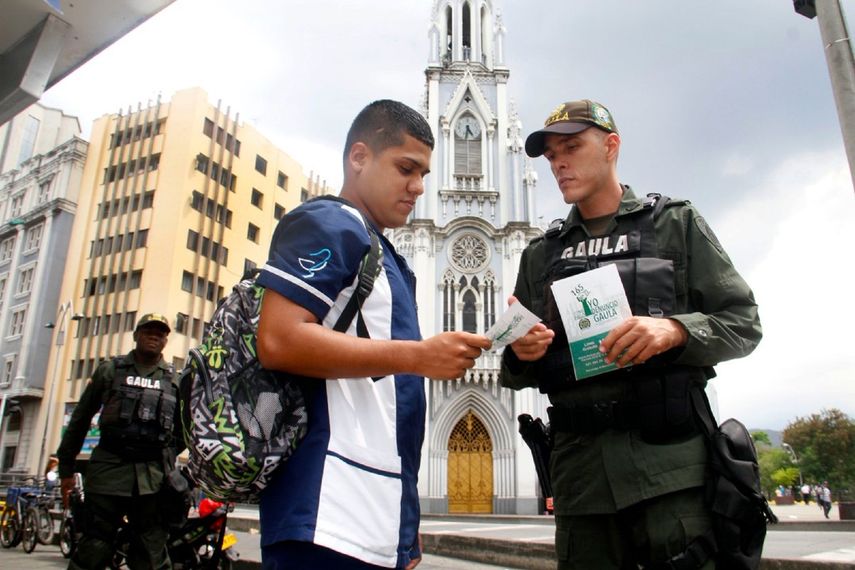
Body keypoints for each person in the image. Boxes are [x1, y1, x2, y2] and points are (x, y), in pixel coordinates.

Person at [500, 100, 762, 569]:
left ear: (611, 146)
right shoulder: (540, 255)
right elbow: (515, 370)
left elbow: (743, 323)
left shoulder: (674, 225)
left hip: (671, 476)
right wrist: (522, 352)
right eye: (551, 154)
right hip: (581, 486)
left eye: (572, 147)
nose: (559, 163)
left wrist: (675, 330)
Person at [255, 99, 492, 569]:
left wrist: (404, 527)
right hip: (324, 515)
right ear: (359, 158)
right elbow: (279, 339)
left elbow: (385, 409)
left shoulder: (383, 253)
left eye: (424, 172)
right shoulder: (327, 223)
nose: (418, 186)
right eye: (406, 168)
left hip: (371, 517)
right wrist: (416, 357)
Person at [56, 313, 182, 570]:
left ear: (166, 340)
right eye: (148, 331)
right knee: (94, 548)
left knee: (151, 555)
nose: (154, 337)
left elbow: (182, 432)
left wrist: (164, 459)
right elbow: (79, 421)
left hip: (153, 481)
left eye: (160, 333)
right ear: (136, 335)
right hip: (108, 475)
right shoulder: (110, 371)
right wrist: (66, 470)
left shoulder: (175, 380)